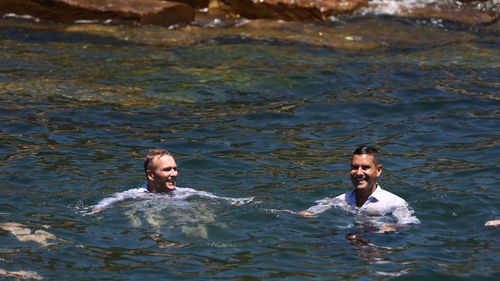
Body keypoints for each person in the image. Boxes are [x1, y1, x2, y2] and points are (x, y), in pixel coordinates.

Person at [85, 148, 253, 215]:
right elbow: (113, 199)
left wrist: (235, 201)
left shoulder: (184, 192)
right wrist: (97, 208)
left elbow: (213, 197)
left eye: (175, 168)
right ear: (150, 175)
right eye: (167, 169)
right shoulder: (136, 195)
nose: (174, 174)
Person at [296, 145, 418, 232]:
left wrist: (392, 227)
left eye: (365, 167)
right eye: (355, 167)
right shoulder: (342, 200)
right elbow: (318, 208)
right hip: (349, 240)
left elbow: (410, 222)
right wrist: (305, 213)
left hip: (379, 242)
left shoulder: (394, 203)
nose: (359, 173)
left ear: (378, 171)